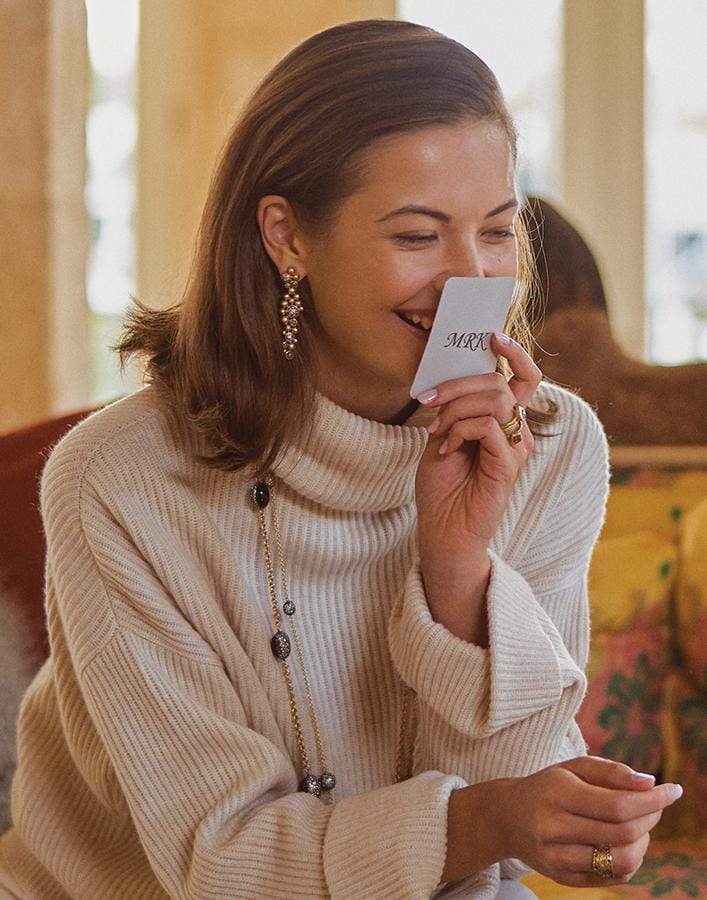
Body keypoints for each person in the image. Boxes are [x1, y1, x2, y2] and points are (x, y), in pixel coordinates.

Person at [0, 18, 683, 900]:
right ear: (287, 238)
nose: (468, 279)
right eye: (415, 236)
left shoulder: (549, 447)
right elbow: (221, 862)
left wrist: (458, 570)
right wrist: (486, 818)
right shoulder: (121, 478)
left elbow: (513, 831)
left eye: (498, 231)